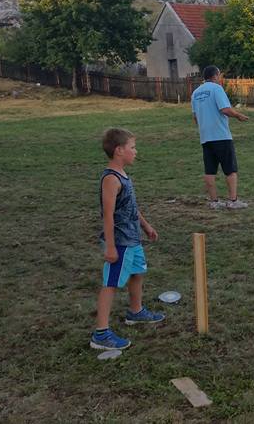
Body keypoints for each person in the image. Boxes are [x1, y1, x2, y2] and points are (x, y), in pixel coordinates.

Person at [90, 128, 165, 351]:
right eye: (132, 147)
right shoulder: (111, 179)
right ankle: (101, 334)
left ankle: (135, 311)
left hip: (133, 238)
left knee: (137, 272)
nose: (135, 151)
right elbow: (108, 214)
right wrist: (111, 247)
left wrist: (146, 225)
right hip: (120, 242)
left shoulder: (123, 174)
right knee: (111, 283)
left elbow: (130, 207)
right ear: (119, 150)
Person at [191, 66, 250, 210]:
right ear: (216, 75)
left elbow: (195, 117)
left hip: (205, 137)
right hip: (221, 136)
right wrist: (238, 115)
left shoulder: (195, 93)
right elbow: (225, 109)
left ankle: (214, 201)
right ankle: (233, 200)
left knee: (209, 170)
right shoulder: (217, 89)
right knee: (230, 169)